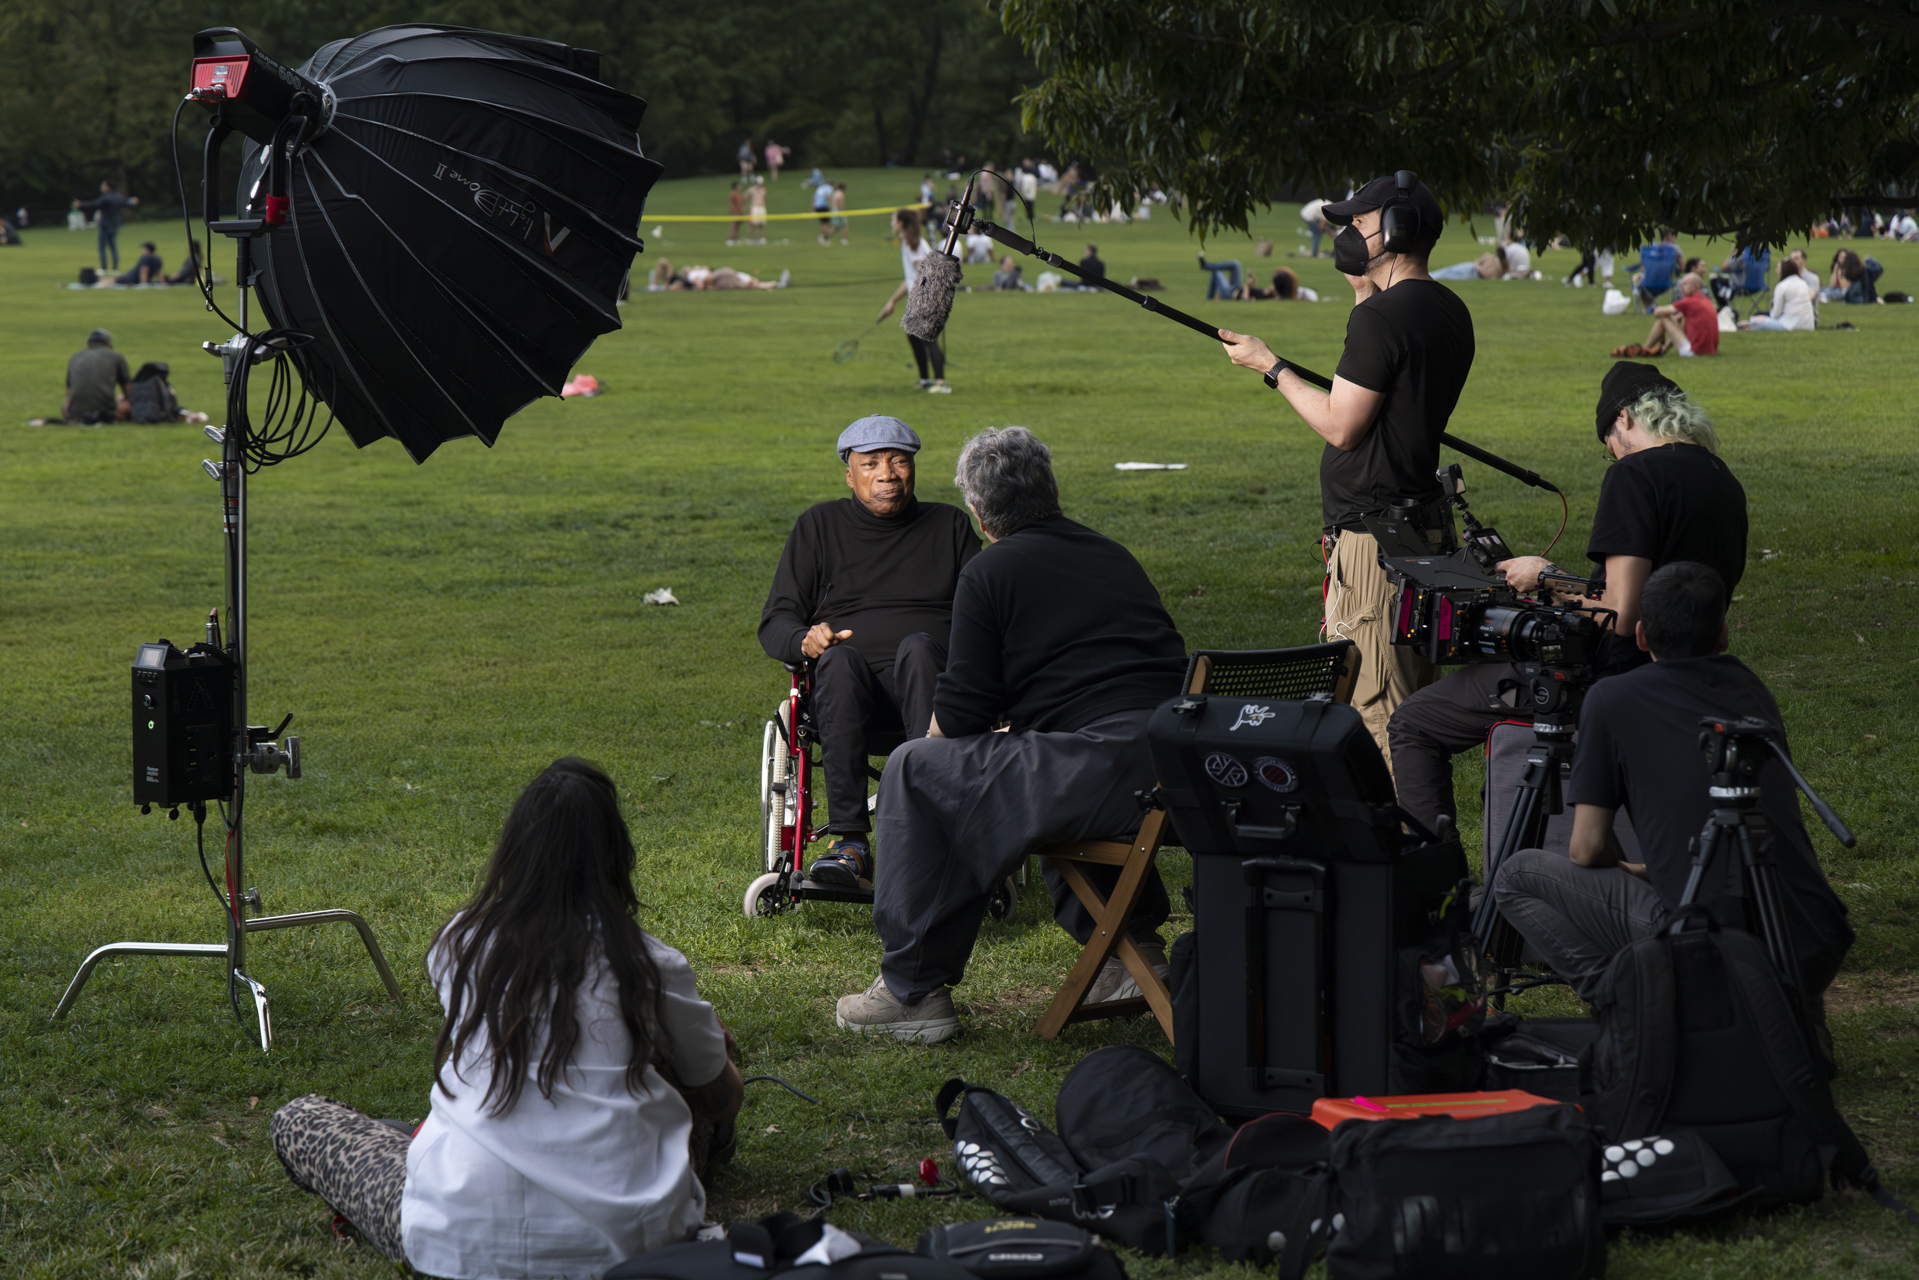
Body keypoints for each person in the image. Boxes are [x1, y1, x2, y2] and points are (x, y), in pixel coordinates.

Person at [270, 758, 744, 1276]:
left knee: (298, 1118)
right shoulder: (653, 964)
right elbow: (722, 1097)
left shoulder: (459, 945)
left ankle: (413, 1147)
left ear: (515, 853)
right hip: (635, 1247)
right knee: (694, 1072)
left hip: (456, 1240)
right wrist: (704, 1051)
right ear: (616, 857)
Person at [835, 428, 1186, 1041]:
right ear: (1049, 490)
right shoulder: (1110, 552)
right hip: (1174, 762)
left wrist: (927, 759)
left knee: (916, 768)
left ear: (977, 509)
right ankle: (1128, 953)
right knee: (1022, 771)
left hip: (1100, 768)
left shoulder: (990, 570)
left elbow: (962, 714)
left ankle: (912, 992)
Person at [1491, 563, 1853, 1029]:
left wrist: (1626, 870)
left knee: (1515, 875)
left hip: (1710, 944)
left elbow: (1585, 848)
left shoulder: (1612, 699)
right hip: (1810, 940)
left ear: (1640, 637)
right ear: (1722, 634)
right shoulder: (1749, 685)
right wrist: (1648, 870)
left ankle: (1629, 1005)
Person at [1389, 363, 1747, 833]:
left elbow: (1621, 613)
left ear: (1623, 420)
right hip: (1686, 666)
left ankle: (1438, 888)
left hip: (1606, 674)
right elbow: (1655, 589)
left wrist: (1546, 576)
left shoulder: (1635, 475)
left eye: (1609, 449)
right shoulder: (1722, 478)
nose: (1614, 457)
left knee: (1413, 723)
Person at [1218, 172, 1475, 766]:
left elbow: (1341, 423)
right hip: (1421, 526)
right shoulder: (1446, 308)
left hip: (1374, 540)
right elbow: (1386, 379)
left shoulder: (1382, 320)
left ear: (1396, 230)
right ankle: (1426, 843)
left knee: (1380, 711)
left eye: (1360, 223)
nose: (1349, 234)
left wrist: (1270, 365)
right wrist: (1365, 296)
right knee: (1417, 704)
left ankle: (1403, 849)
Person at [759, 417, 982, 886]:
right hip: (848, 693)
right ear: (849, 473)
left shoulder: (950, 526)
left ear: (914, 468)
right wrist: (805, 640)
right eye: (872, 463)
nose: (887, 474)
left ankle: (930, 838)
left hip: (931, 687)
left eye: (899, 461)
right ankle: (850, 845)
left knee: (920, 650)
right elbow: (776, 621)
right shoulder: (818, 526)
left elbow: (988, 613)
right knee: (837, 661)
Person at [877, 208, 951, 393]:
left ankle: (941, 384)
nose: (891, 222)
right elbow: (910, 279)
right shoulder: (908, 243)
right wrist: (892, 301)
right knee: (913, 337)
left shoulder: (915, 246)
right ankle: (925, 380)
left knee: (927, 338)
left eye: (893, 219)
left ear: (901, 223)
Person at [1617, 272, 1717, 357]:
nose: (1681, 287)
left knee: (1664, 318)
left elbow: (1658, 312)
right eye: (1682, 284)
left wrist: (1660, 312)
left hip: (1694, 352)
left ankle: (1645, 348)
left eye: (1685, 284)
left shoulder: (1688, 301)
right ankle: (1661, 349)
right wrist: (1676, 319)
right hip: (1710, 351)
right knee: (1680, 319)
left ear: (1696, 286)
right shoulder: (1705, 300)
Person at [63, 328, 131, 424]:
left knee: (64, 405)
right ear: (109, 345)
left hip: (75, 414)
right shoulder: (117, 356)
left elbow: (69, 393)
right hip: (105, 413)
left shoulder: (75, 356)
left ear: (87, 344)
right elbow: (128, 391)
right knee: (130, 405)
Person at [72, 180, 137, 271]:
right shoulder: (117, 196)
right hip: (115, 225)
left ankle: (104, 268)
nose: (101, 187)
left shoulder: (105, 198)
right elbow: (126, 203)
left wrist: (80, 205)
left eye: (103, 185)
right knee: (113, 247)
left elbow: (94, 204)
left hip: (106, 225)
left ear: (108, 187)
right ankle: (115, 269)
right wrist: (133, 201)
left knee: (102, 247)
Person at [1740, 256, 1817, 331]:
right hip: (1808, 326)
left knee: (1755, 320)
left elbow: (1775, 314)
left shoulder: (1782, 286)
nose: (1776, 270)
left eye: (1778, 268)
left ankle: (1750, 327)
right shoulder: (1802, 283)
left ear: (1783, 270)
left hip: (1790, 325)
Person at [1627, 228, 1681, 312]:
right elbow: (1683, 266)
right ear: (1669, 237)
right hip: (1667, 284)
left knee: (1635, 278)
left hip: (1647, 284)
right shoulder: (1674, 249)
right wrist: (1676, 272)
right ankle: (1653, 306)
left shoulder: (1649, 248)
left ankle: (1649, 306)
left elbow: (1644, 266)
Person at [1430, 247, 1505, 281]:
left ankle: (1433, 278)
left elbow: (1487, 276)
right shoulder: (1489, 257)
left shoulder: (1498, 269)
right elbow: (1477, 261)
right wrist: (1479, 267)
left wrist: (1479, 267)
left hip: (1475, 275)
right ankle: (1431, 275)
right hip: (1471, 267)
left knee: (1452, 277)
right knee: (1451, 269)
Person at [746, 178, 768, 244]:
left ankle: (760, 237)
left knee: (761, 224)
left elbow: (764, 199)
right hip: (755, 207)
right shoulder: (751, 189)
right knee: (752, 224)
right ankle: (749, 238)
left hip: (762, 207)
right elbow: (746, 197)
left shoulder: (763, 190)